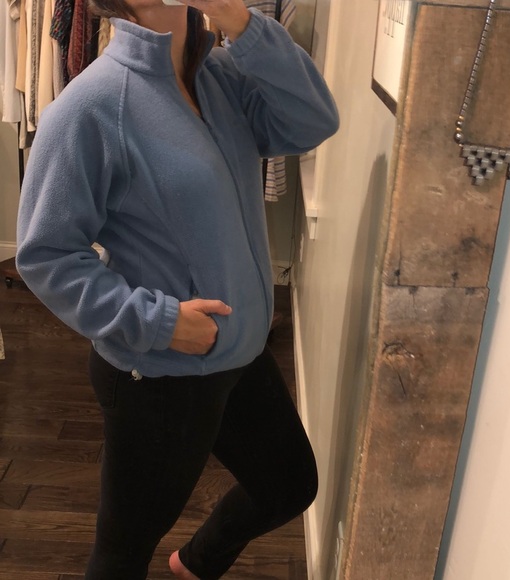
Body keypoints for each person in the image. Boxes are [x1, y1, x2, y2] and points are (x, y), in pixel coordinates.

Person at [15, 0, 339, 578]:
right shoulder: (92, 105)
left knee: (288, 484)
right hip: (161, 375)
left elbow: (313, 121)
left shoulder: (220, 77)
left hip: (239, 351)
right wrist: (160, 323)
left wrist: (239, 21)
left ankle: (194, 565)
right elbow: (46, 254)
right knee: (122, 555)